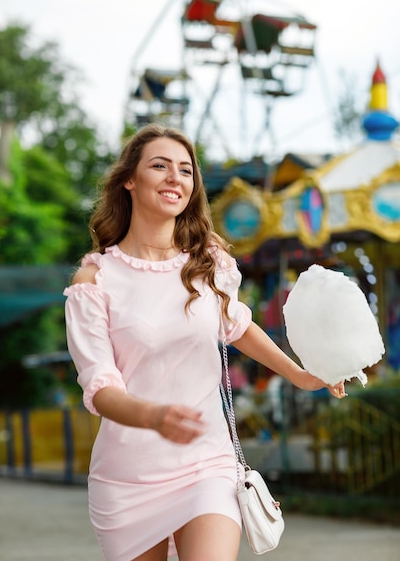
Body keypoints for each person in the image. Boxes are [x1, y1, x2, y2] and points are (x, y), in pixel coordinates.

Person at [64, 123, 346, 561]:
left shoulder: (208, 261)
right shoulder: (94, 281)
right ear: (129, 180)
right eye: (160, 166)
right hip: (128, 478)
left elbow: (236, 325)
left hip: (206, 464)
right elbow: (100, 389)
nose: (175, 177)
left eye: (185, 170)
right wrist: (154, 416)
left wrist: (299, 374)